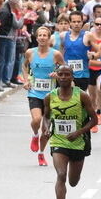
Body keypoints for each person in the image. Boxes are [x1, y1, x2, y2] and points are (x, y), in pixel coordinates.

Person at [43, 66, 99, 199]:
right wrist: (46, 128)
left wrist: (79, 132)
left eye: (67, 74)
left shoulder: (81, 95)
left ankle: (72, 182)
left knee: (73, 181)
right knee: (61, 175)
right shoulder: (50, 97)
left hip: (78, 143)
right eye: (60, 74)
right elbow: (46, 117)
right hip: (58, 141)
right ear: (56, 77)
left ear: (72, 77)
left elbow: (94, 120)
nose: (63, 77)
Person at [24, 26, 63, 166]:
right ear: (36, 38)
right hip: (34, 92)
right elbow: (25, 66)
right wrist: (26, 80)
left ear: (48, 38)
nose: (42, 38)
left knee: (46, 130)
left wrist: (57, 74)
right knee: (37, 119)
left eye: (44, 35)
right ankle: (35, 134)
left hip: (50, 95)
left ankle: (41, 153)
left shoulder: (56, 54)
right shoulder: (30, 52)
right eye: (39, 35)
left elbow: (65, 70)